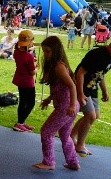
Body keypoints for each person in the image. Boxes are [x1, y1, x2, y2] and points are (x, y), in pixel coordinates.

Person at [70, 34, 111, 156]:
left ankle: (71, 135)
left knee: (95, 115)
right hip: (82, 86)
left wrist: (105, 91)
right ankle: (80, 145)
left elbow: (101, 74)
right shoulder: (97, 54)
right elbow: (80, 73)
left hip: (92, 88)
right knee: (91, 116)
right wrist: (80, 93)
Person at [33, 36, 80, 170]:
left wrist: (71, 105)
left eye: (48, 51)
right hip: (70, 105)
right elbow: (59, 87)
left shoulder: (59, 66)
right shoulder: (56, 65)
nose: (46, 55)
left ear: (55, 51)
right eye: (44, 51)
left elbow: (72, 86)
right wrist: (49, 99)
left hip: (67, 107)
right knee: (65, 135)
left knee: (46, 131)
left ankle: (48, 162)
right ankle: (73, 162)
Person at [12, 30, 36, 132]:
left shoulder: (16, 52)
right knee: (30, 103)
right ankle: (20, 122)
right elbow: (32, 72)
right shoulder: (29, 56)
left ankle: (20, 122)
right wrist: (36, 67)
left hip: (20, 80)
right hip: (28, 82)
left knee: (22, 102)